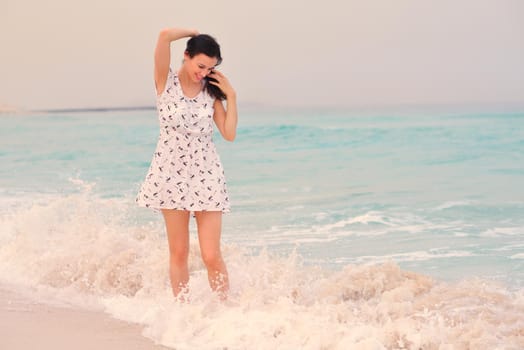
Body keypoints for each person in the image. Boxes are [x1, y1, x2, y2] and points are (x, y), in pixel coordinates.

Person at [136, 27, 238, 300]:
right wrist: (194, 31)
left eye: (210, 68)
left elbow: (229, 134)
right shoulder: (164, 82)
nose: (204, 72)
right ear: (186, 56)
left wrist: (232, 96)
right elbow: (164, 35)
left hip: (207, 176)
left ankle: (224, 312)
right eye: (201, 65)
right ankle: (183, 313)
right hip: (171, 175)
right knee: (179, 252)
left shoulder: (211, 93)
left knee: (211, 254)